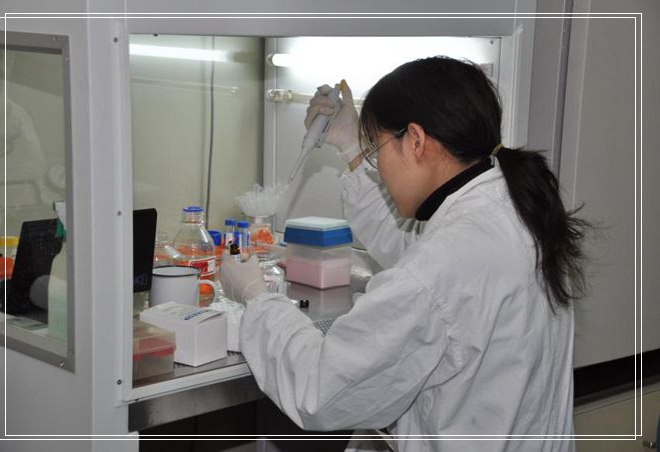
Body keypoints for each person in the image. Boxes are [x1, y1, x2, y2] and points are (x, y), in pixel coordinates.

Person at [220, 56, 589, 452]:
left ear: (415, 140)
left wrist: (257, 298)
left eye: (378, 149)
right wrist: (352, 148)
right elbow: (413, 253)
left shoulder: (443, 264)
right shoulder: (513, 209)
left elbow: (323, 389)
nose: (379, 167)